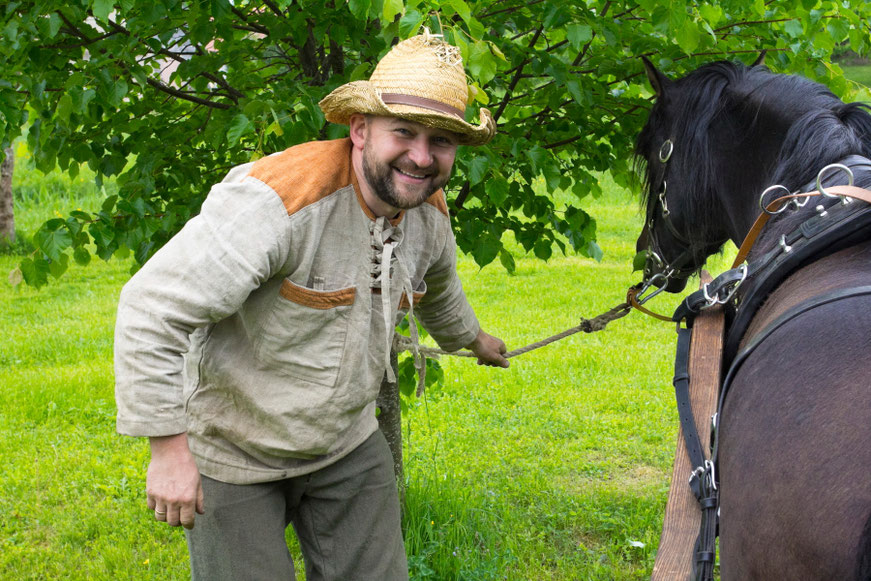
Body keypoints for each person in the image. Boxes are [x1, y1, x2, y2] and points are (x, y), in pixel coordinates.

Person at [114, 31, 509, 581]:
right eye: (404, 132)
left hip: (346, 442)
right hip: (236, 450)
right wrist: (168, 451)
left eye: (441, 141)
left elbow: (437, 287)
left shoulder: (428, 211)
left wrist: (472, 339)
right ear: (360, 130)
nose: (422, 157)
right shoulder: (278, 201)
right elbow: (151, 307)